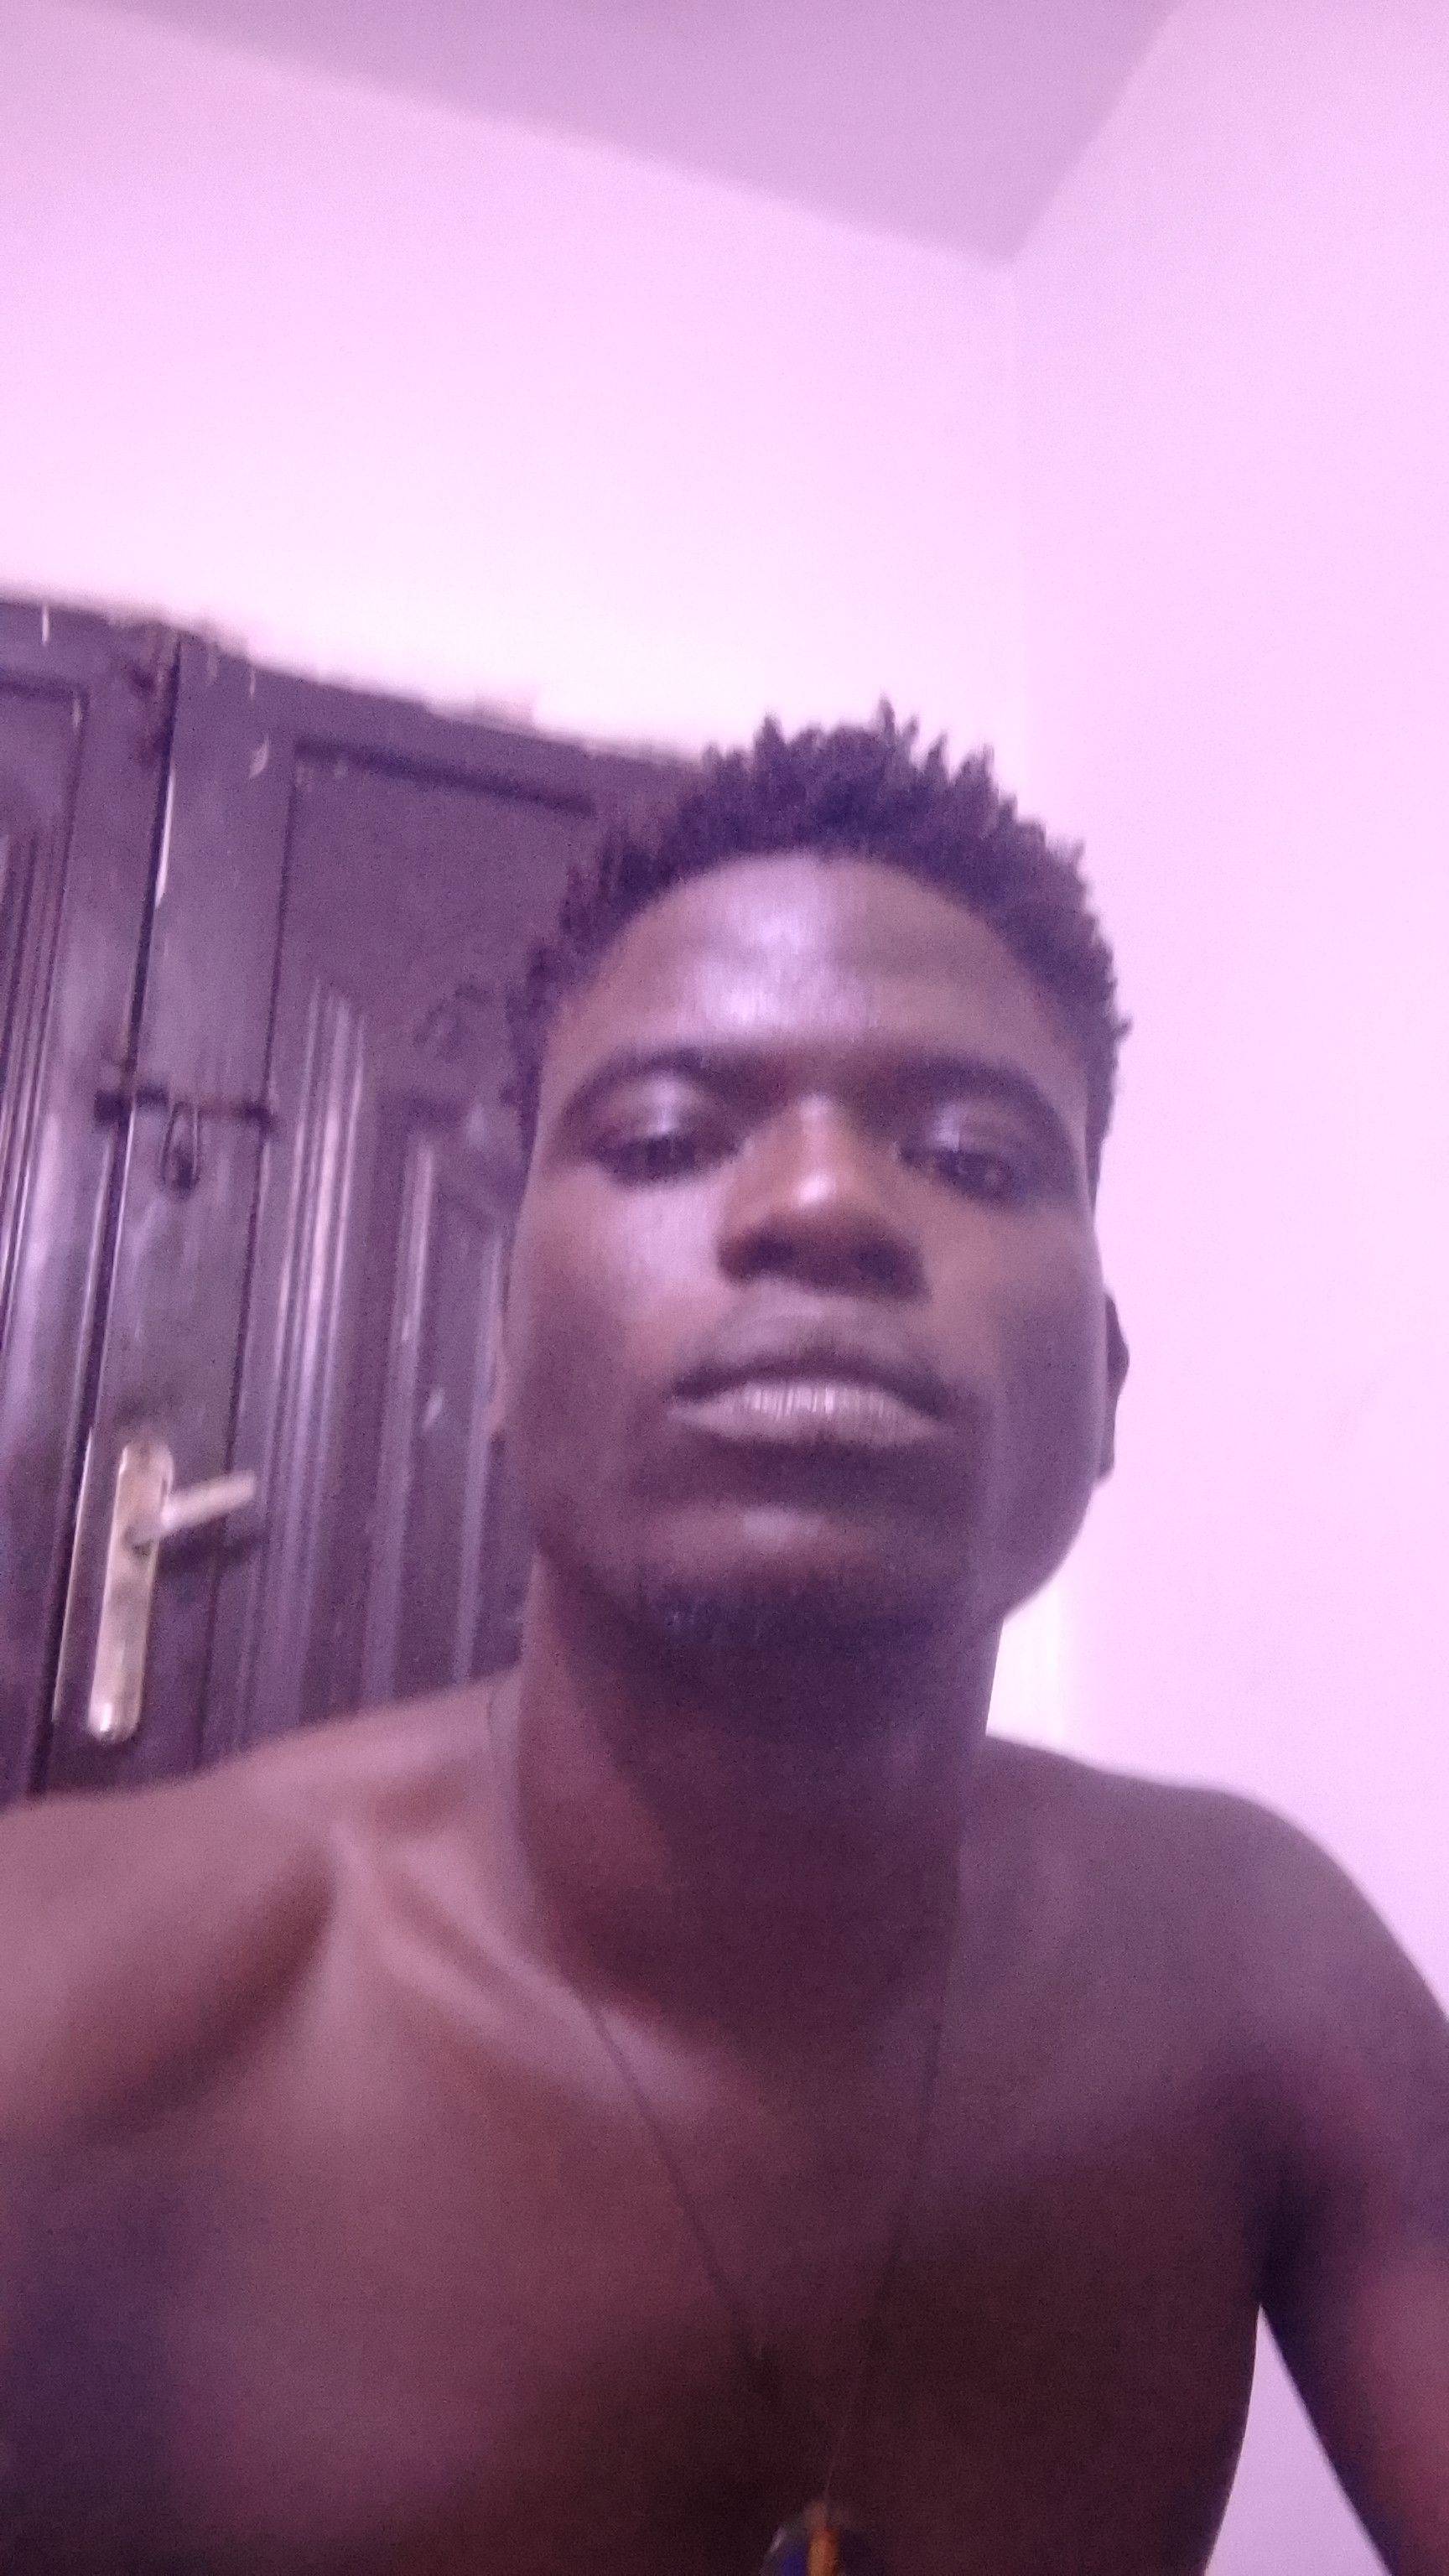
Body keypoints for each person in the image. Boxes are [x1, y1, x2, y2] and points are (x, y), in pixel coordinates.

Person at [1, 713, 1445, 2575]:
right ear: (502, 1355)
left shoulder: (1262, 1974)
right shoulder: (66, 2004)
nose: (824, 1205)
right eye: (672, 1137)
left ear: (1102, 1386)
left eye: (973, 1157)